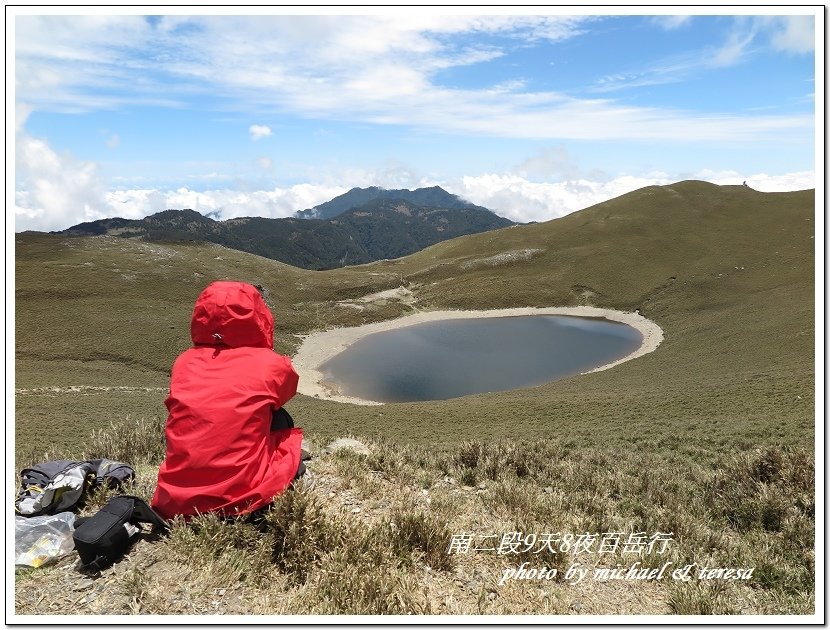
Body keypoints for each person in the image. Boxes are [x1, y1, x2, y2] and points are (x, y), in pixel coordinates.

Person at [151, 281, 304, 520]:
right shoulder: (272, 365)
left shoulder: (183, 362)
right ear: (258, 316)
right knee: (278, 415)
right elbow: (287, 391)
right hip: (240, 500)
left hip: (175, 502)